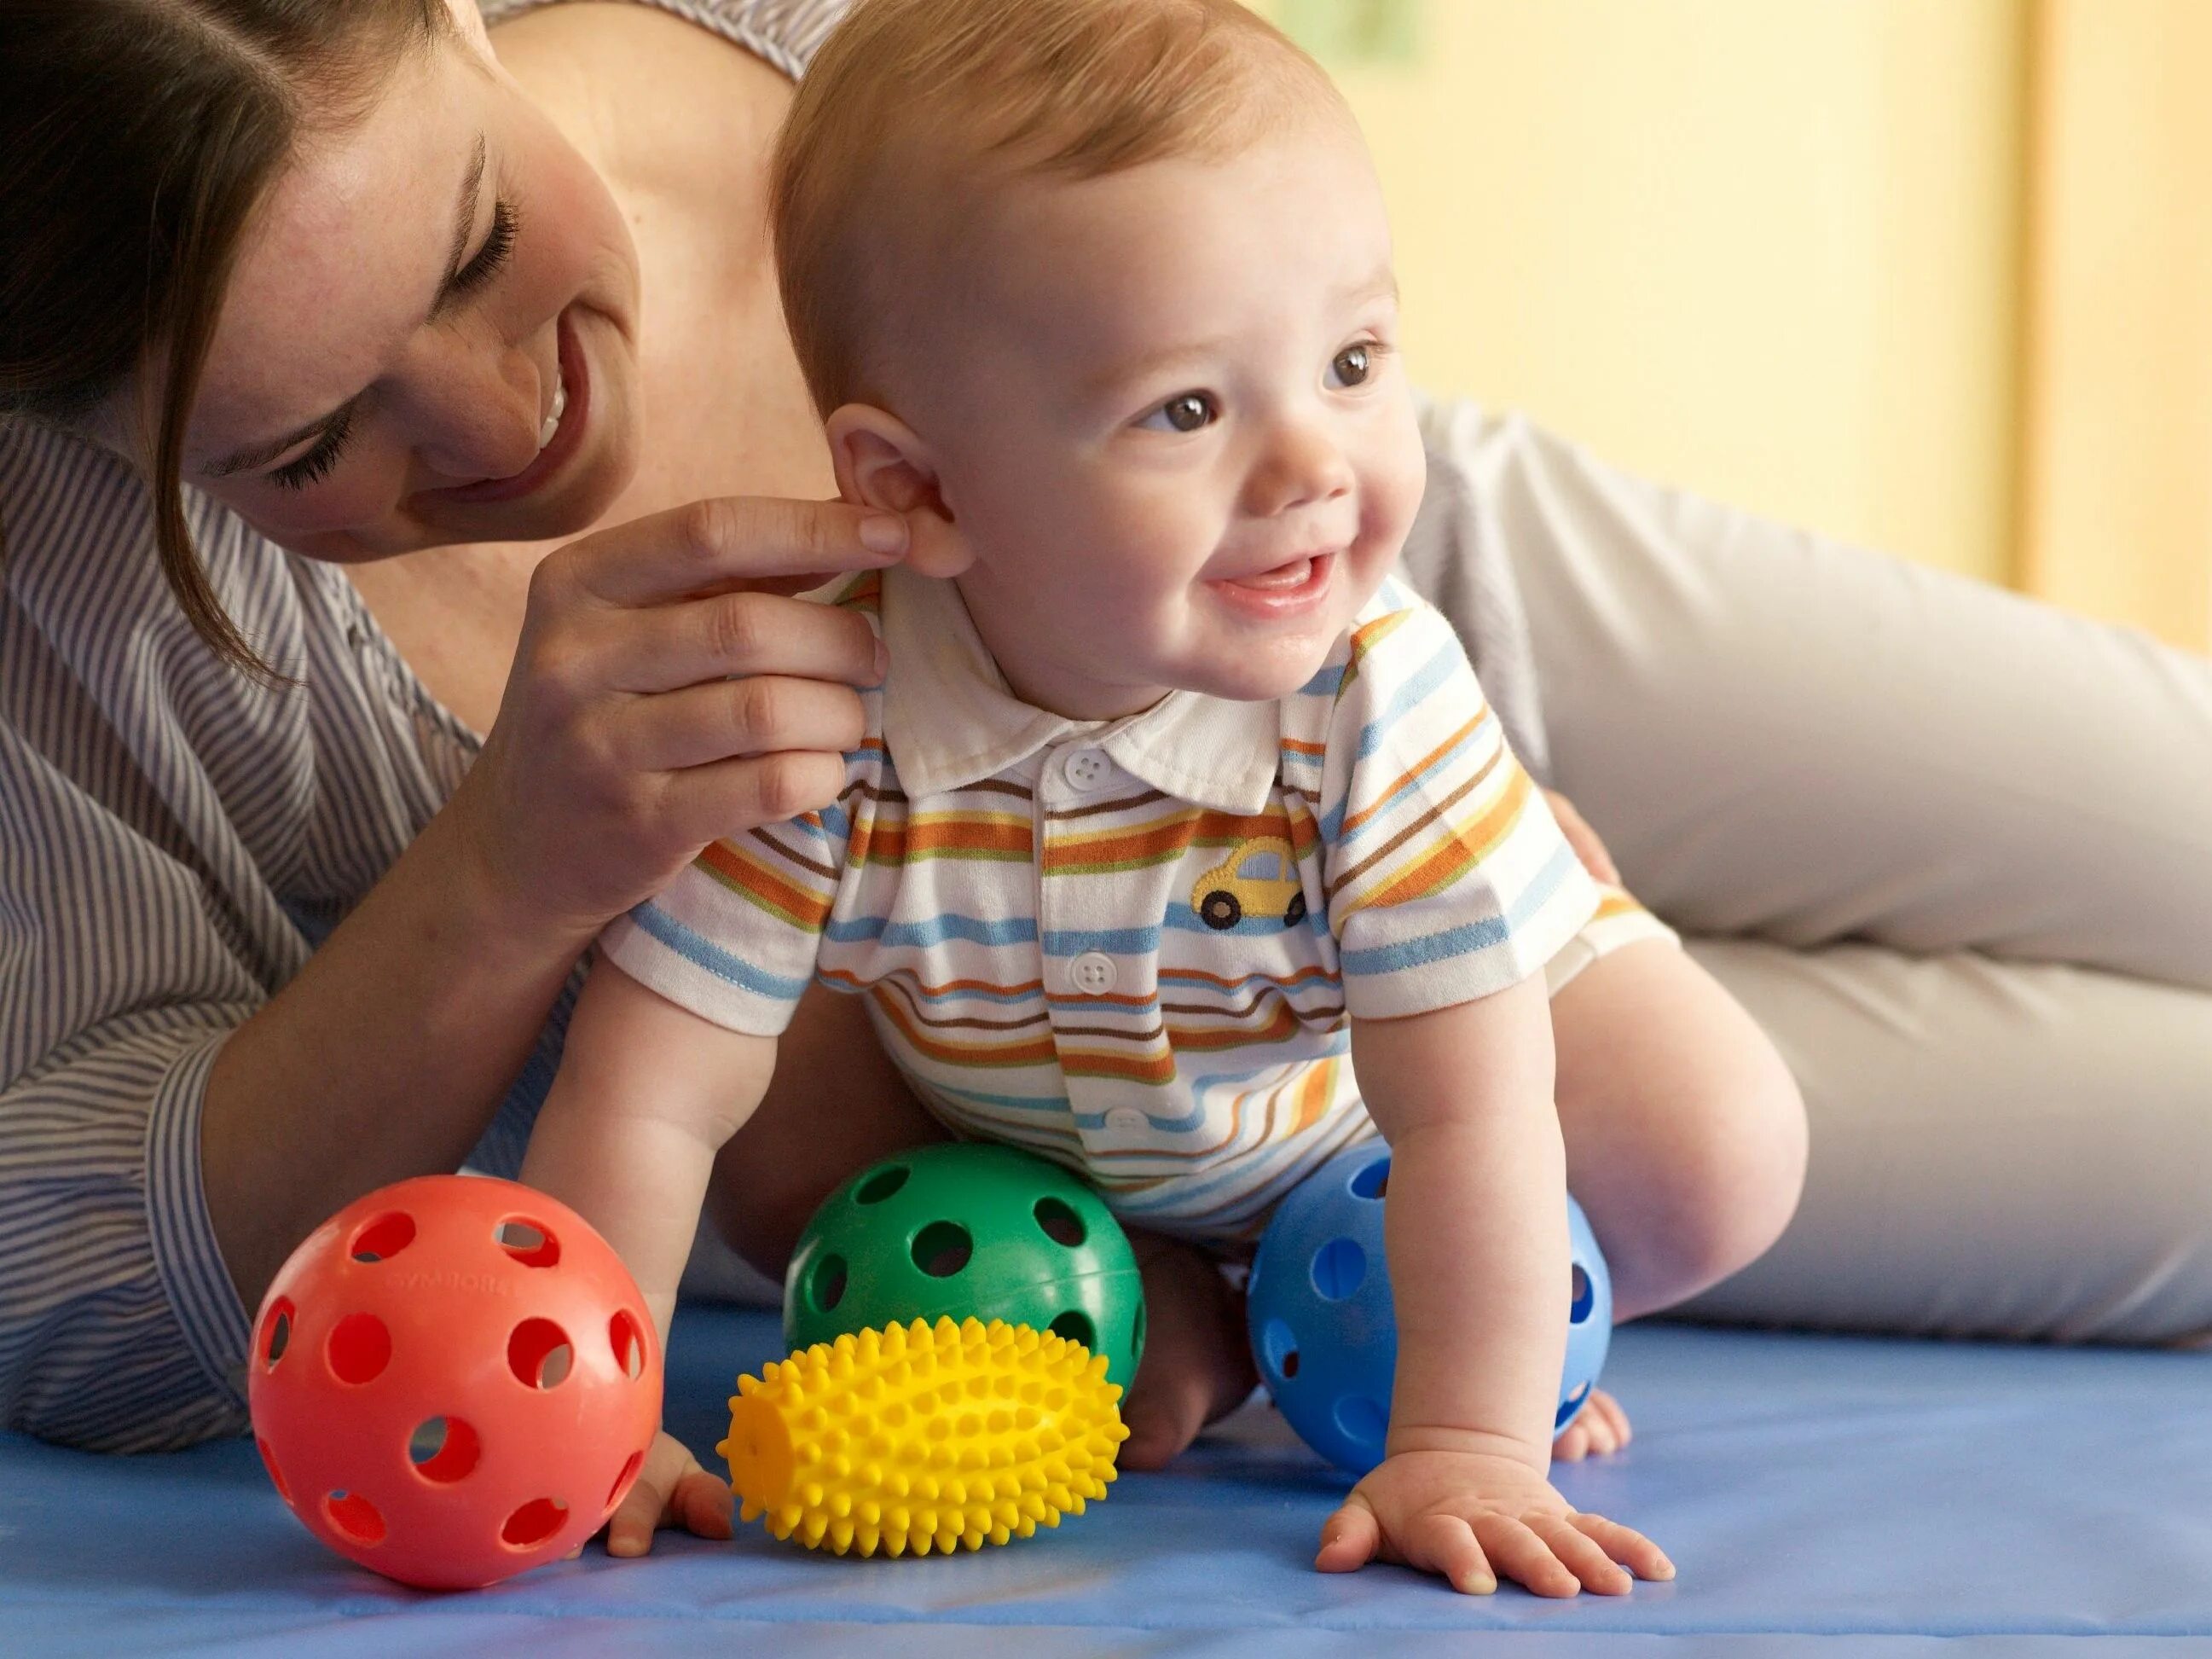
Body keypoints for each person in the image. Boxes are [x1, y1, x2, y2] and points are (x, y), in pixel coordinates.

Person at [3, 0, 2207, 1580]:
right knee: (2125, 1158)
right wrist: (506, 896)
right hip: (1115, 1069)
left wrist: (1450, 818)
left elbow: (1216, 145)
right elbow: (132, 1278)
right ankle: (1246, 1283)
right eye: (303, 449)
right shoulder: (98, 616)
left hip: (1372, 731)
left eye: (480, 238)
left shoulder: (1360, 604)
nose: (510, 414)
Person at [518, 0, 1805, 1598]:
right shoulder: (820, 698)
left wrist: (1468, 1439)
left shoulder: (1367, 691)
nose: (1311, 466)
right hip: (1065, 1128)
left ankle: (1337, 1293)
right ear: (911, 487)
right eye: (1188, 411)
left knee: (1718, 1152)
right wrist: (600, 1408)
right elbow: (650, 1090)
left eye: (1351, 363)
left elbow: (1470, 1108)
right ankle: (1189, 1294)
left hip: (1352, 1103)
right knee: (793, 1164)